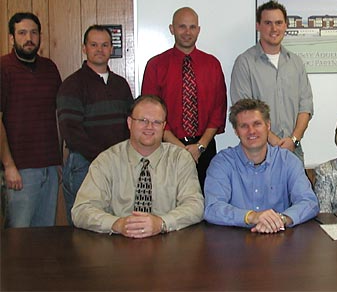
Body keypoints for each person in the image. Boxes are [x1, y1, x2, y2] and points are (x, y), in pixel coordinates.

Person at [72, 95, 204, 237]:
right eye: (143, 120)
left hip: (168, 243)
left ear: (164, 126)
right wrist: (118, 224)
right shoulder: (107, 160)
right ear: (129, 122)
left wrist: (161, 223)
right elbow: (81, 210)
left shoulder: (180, 159)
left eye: (156, 122)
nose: (149, 127)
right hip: (117, 244)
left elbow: (195, 206)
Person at [141, 7, 227, 192]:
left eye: (192, 27)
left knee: (205, 202)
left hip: (204, 149)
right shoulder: (156, 65)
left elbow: (218, 111)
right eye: (182, 27)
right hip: (167, 146)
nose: (187, 32)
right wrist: (180, 148)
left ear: (198, 30)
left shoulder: (212, 64)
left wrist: (200, 147)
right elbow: (149, 113)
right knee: (168, 201)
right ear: (172, 29)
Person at [204, 99, 318, 233]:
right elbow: (212, 208)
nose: (251, 131)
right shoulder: (222, 163)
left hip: (279, 241)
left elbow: (309, 202)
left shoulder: (288, 161)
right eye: (244, 126)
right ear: (236, 131)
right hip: (235, 243)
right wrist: (251, 217)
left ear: (268, 126)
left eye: (257, 124)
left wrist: (280, 219)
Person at [57, 25, 133, 225]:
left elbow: (130, 125)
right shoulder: (72, 84)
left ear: (111, 49)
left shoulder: (121, 84)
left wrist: (120, 159)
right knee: (83, 225)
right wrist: (103, 159)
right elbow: (71, 132)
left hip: (119, 166)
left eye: (105, 45)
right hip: (84, 165)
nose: (100, 49)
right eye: (94, 45)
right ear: (84, 48)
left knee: (116, 224)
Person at [230, 0, 313, 161]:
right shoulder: (244, 63)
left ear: (285, 26)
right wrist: (274, 141)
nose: (274, 28)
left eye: (279, 23)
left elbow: (306, 106)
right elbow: (242, 112)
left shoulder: (295, 62)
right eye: (268, 23)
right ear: (258, 26)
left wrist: (294, 140)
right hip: (258, 150)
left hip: (293, 149)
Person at [1, 12, 62, 228]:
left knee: (45, 234)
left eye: (34, 33)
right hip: (20, 170)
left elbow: (57, 114)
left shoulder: (49, 68)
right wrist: (9, 166)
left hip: (50, 166)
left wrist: (58, 162)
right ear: (11, 38)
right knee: (18, 234)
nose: (29, 38)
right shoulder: (3, 68)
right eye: (22, 33)